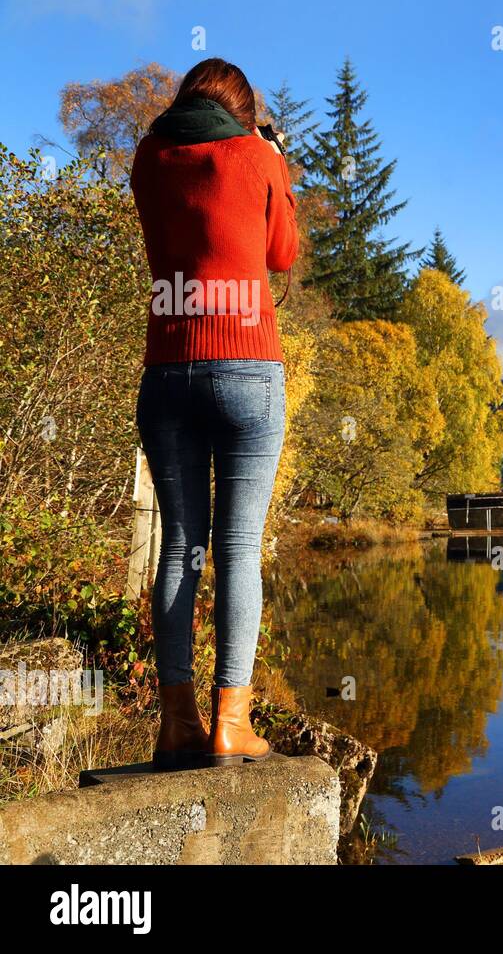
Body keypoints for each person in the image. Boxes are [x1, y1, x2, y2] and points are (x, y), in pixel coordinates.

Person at [131, 57, 297, 768]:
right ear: (244, 109)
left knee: (179, 547)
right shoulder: (256, 154)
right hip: (246, 366)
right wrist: (276, 159)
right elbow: (282, 254)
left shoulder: (148, 157)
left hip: (168, 365)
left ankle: (176, 724)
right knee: (236, 549)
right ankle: (233, 722)